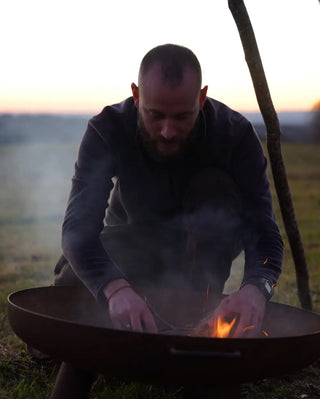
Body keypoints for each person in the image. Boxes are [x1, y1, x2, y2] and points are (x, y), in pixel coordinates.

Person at [55, 43, 283, 338]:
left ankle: (198, 314)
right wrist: (114, 287)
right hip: (131, 241)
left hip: (202, 252)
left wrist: (256, 287)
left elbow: (265, 232)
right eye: (155, 115)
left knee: (214, 186)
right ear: (137, 96)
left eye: (181, 117)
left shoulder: (235, 136)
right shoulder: (108, 128)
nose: (167, 131)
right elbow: (76, 230)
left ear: (201, 98)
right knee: (68, 291)